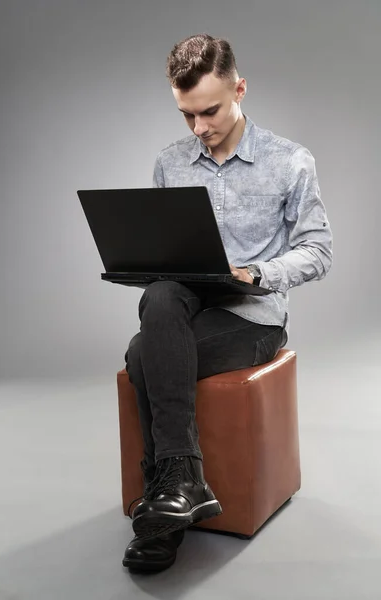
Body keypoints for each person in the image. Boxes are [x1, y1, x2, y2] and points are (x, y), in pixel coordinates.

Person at [122, 33, 333, 573]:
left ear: (240, 88)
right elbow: (164, 256)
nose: (199, 129)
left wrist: (255, 271)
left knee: (145, 355)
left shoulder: (289, 161)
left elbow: (317, 251)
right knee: (162, 290)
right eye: (186, 115)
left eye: (210, 111)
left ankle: (164, 508)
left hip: (252, 314)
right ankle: (183, 483)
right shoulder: (170, 164)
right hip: (185, 305)